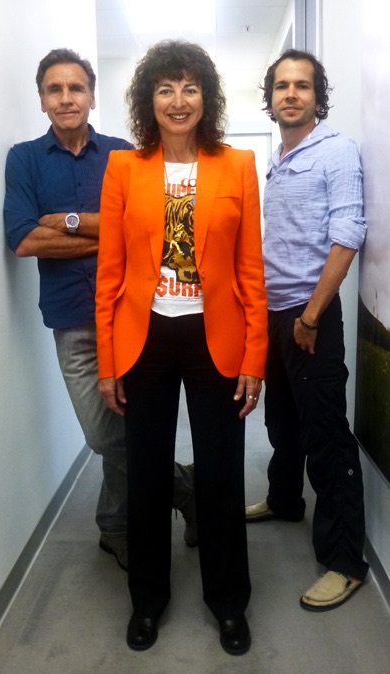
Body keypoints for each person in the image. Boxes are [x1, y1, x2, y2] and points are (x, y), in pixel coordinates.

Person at [95, 40, 268, 655]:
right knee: (146, 472)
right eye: (165, 88)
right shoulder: (124, 169)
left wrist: (254, 360)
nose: (178, 100)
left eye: (190, 88)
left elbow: (250, 271)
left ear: (206, 98)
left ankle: (228, 601)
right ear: (149, 100)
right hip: (144, 337)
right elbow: (109, 274)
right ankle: (147, 599)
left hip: (213, 337)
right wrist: (109, 362)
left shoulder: (237, 166)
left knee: (220, 474)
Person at [4, 48, 196, 573]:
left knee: (128, 420)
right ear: (42, 99)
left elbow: (145, 230)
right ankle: (186, 487)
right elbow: (24, 239)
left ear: (92, 96)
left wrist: (65, 221)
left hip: (134, 315)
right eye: (55, 89)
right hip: (72, 321)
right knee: (103, 433)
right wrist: (108, 231)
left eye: (76, 88)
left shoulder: (124, 155)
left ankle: (114, 527)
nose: (66, 98)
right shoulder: (24, 159)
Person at [245, 49, 369, 611]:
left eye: (302, 85)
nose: (290, 94)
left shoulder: (335, 151)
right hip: (275, 313)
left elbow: (347, 236)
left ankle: (345, 562)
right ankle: (284, 500)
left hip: (308, 315)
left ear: (319, 97)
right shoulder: (279, 157)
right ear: (270, 99)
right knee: (282, 421)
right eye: (281, 86)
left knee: (325, 437)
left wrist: (312, 316)